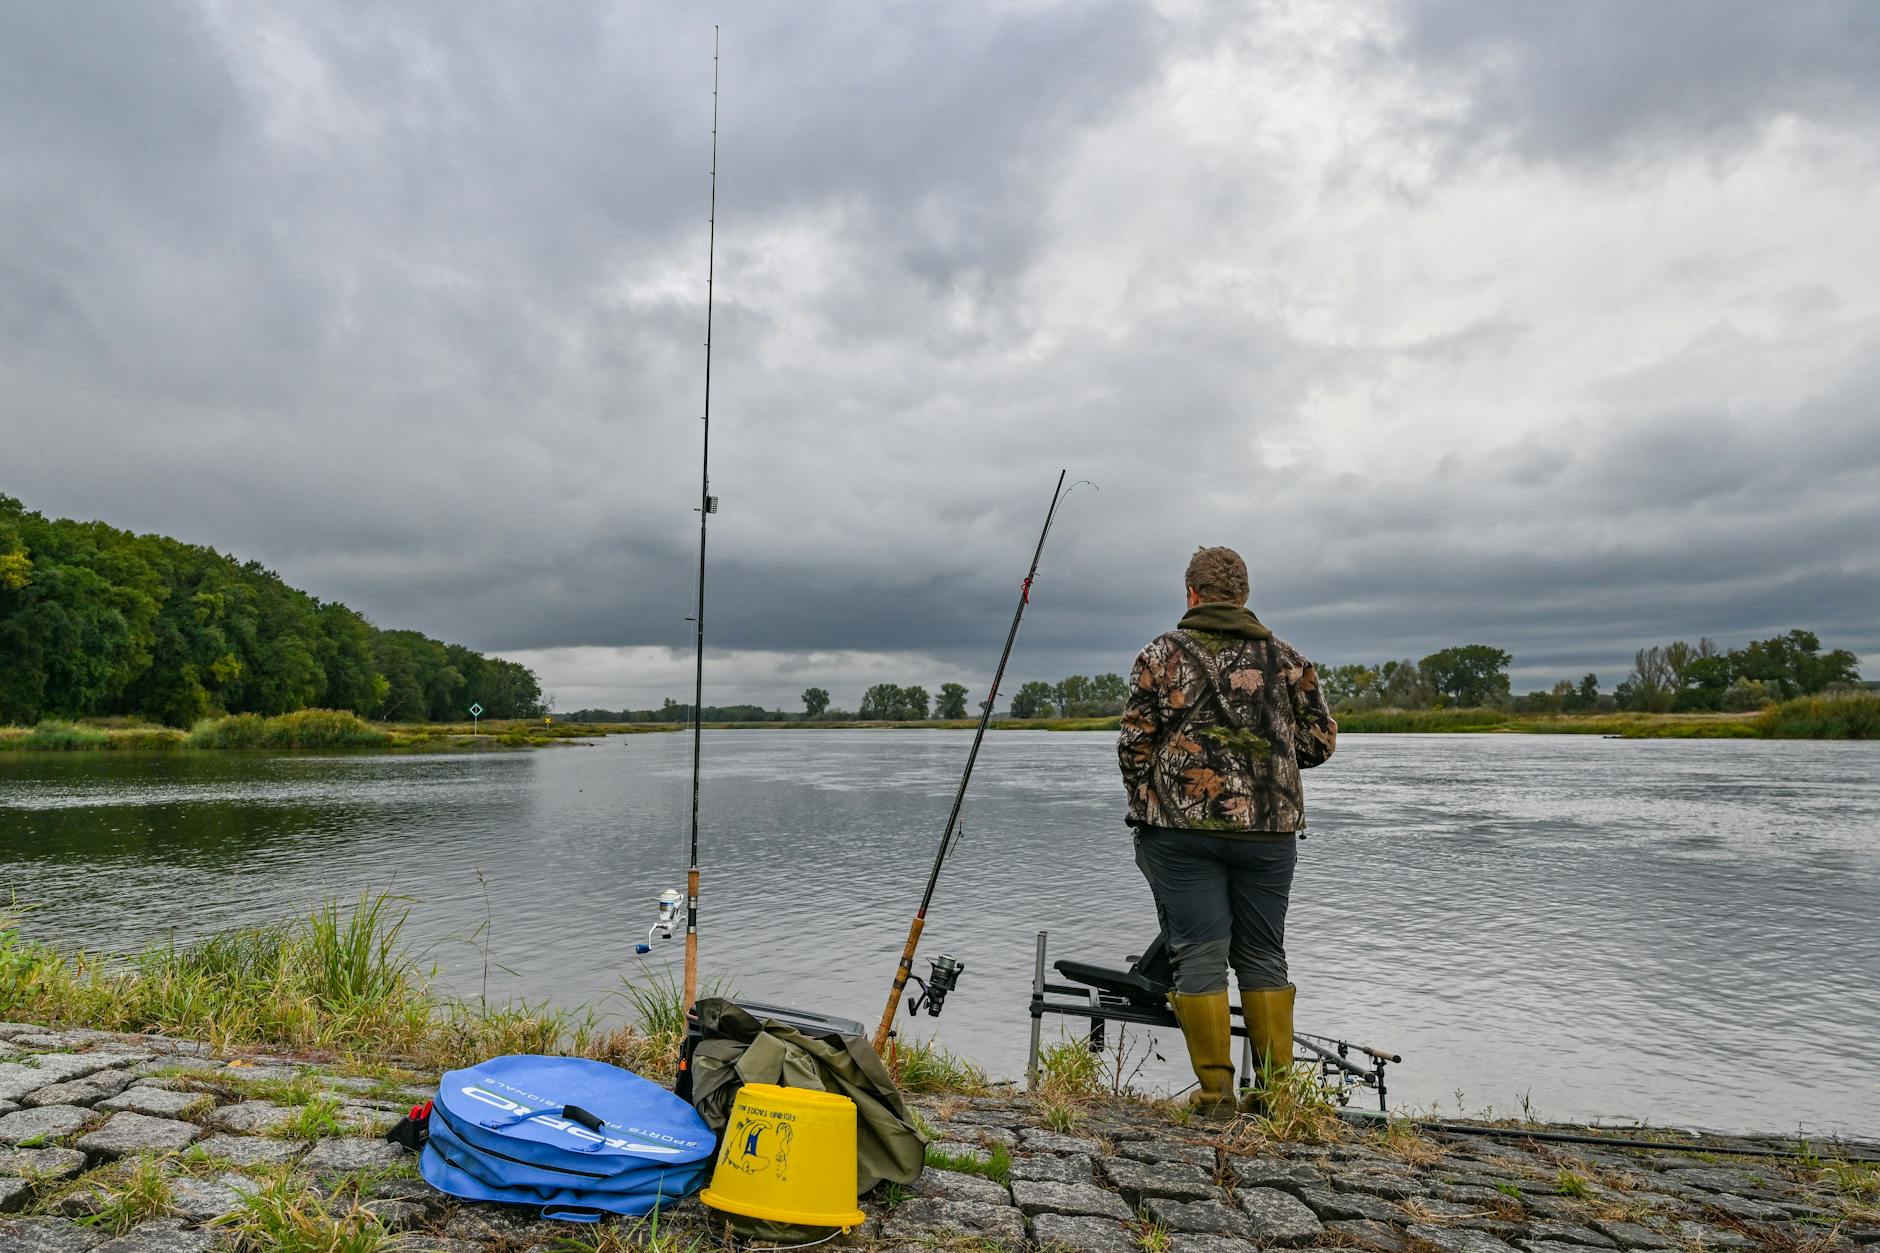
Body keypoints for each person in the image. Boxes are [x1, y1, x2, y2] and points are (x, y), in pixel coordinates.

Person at [1117, 546, 1337, 1115]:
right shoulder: (1289, 659)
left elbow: (1134, 745)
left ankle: (1216, 1098)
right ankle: (1275, 1102)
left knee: (1199, 954)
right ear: (1244, 596)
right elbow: (1319, 743)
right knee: (1264, 953)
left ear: (1190, 594)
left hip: (1180, 829)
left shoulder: (1160, 655)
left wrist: (1152, 796)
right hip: (1269, 830)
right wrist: (1267, 763)